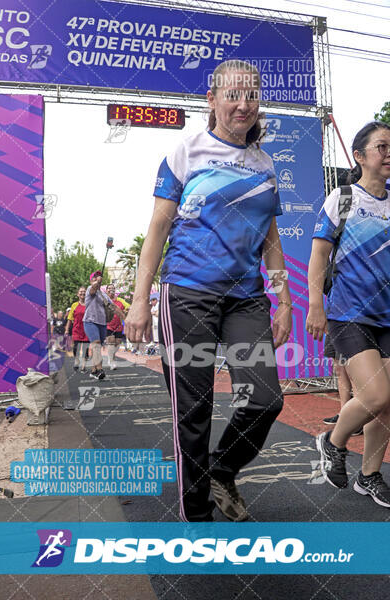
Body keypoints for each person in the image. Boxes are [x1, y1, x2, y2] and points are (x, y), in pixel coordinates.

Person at [126, 59, 292, 522]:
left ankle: (222, 468)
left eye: (252, 95)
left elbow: (271, 241)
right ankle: (195, 515)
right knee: (194, 411)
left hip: (246, 298)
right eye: (233, 95)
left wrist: (284, 300)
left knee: (264, 400)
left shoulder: (264, 164)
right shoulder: (186, 151)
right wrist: (141, 300)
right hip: (188, 294)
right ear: (212, 100)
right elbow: (157, 229)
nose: (243, 105)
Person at [307, 121, 390, 506]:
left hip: (388, 315)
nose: (389, 153)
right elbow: (319, 256)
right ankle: (333, 440)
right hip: (349, 313)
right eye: (382, 147)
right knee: (375, 394)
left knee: (388, 405)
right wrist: (315, 306)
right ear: (359, 156)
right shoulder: (342, 198)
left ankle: (369, 475)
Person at [83, 271, 124, 380]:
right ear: (91, 280)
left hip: (102, 323)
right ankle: (100, 369)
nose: (97, 279)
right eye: (95, 277)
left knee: (98, 347)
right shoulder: (89, 289)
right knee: (96, 344)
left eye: (99, 277)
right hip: (90, 322)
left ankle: (93, 370)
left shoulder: (103, 294)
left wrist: (126, 319)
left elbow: (114, 307)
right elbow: (93, 290)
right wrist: (96, 283)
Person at [322, 334, 362, 436]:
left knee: (352, 372)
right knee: (339, 370)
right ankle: (343, 414)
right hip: (333, 324)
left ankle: (358, 418)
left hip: (350, 326)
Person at [105, 283, 129, 370]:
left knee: (117, 343)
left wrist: (126, 311)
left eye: (113, 288)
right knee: (111, 342)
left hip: (118, 325)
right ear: (106, 290)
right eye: (109, 288)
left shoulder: (120, 300)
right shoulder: (104, 300)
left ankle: (111, 357)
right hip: (108, 325)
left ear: (115, 291)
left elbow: (128, 307)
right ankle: (111, 362)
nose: (111, 289)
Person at [65, 286, 89, 372]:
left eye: (84, 291)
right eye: (81, 292)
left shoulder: (89, 304)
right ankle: (76, 360)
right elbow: (70, 319)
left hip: (87, 329)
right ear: (78, 294)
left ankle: (83, 366)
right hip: (77, 330)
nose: (83, 293)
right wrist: (67, 330)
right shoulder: (74, 305)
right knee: (76, 348)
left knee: (86, 349)